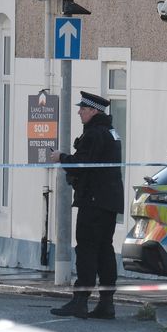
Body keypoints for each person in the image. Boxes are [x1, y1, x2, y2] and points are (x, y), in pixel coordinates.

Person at [49, 92, 124, 319]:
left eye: (83, 108)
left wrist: (62, 157)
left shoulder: (94, 134)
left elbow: (81, 165)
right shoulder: (111, 132)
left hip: (93, 200)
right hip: (108, 201)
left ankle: (80, 301)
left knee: (87, 249)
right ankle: (106, 302)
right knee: (104, 249)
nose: (80, 111)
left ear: (94, 111)